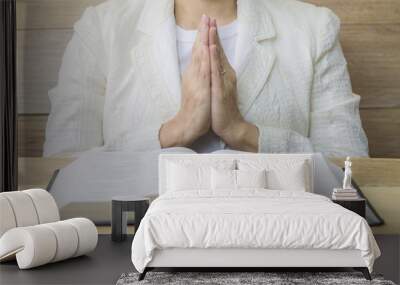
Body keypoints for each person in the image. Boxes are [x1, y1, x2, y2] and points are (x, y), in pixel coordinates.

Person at [44, 0, 369, 158]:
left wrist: (243, 133)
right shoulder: (101, 29)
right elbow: (62, 175)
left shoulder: (314, 28)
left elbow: (349, 173)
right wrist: (176, 131)